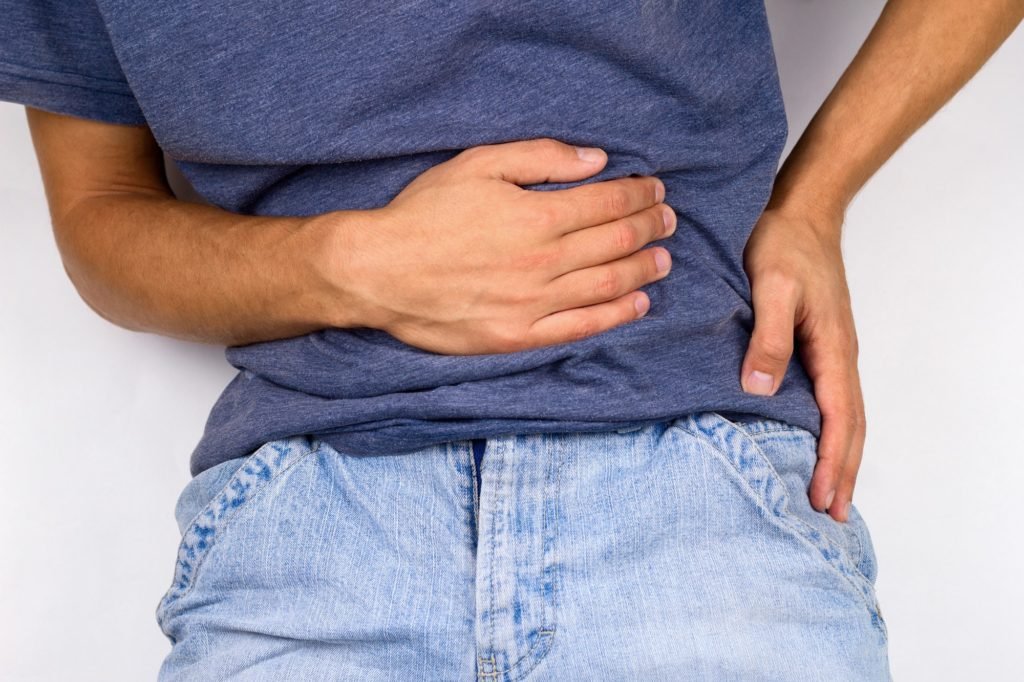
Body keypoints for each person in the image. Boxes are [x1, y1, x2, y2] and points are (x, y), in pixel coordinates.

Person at [2, 0, 1019, 679]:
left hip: (699, 485)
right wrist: (349, 265)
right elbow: (98, 214)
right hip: (312, 524)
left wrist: (815, 201)